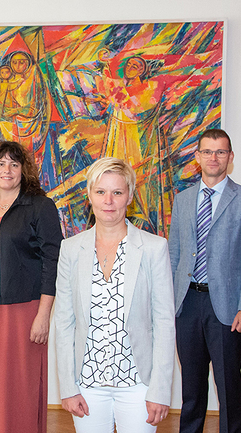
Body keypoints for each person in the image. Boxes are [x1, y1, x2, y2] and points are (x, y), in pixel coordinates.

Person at [54, 157, 175, 432]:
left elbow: (164, 323)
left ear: (129, 197)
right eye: (101, 192)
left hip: (138, 385)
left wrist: (160, 390)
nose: (108, 201)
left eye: (117, 192)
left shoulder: (154, 248)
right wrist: (68, 387)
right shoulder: (70, 249)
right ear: (90, 196)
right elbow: (64, 323)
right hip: (87, 384)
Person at [168, 129, 241, 433]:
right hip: (187, 303)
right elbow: (175, 253)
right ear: (197, 157)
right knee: (191, 386)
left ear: (230, 157)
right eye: (207, 151)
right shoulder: (183, 200)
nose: (213, 157)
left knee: (229, 386)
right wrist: (169, 303)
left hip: (228, 306)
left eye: (220, 152)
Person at [0, 141, 63, 433]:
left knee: (20, 384)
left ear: (24, 170)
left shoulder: (40, 206)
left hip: (24, 310)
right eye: (1, 164)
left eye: (14, 164)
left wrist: (43, 315)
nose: (7, 170)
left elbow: (53, 261)